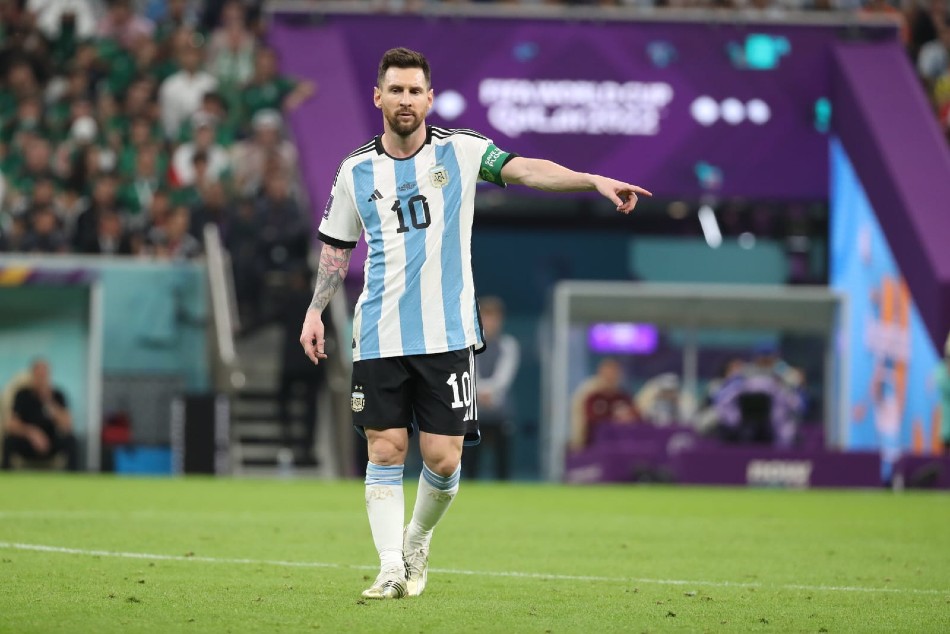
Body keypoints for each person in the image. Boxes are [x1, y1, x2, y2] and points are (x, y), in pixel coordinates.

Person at [298, 48, 650, 600]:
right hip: (379, 332)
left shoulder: (460, 151)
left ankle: (417, 540)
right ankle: (390, 565)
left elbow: (528, 170)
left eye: (416, 91)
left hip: (447, 335)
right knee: (385, 448)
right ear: (378, 97)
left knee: (443, 457)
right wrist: (316, 311)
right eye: (397, 90)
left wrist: (591, 179)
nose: (406, 100)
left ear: (429, 98)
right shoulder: (355, 170)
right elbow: (337, 250)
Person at [463, 296, 520, 480]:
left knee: (502, 467)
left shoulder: (508, 345)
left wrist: (490, 393)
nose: (490, 322)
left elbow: (504, 376)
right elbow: (471, 371)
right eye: (486, 317)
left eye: (494, 317)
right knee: (471, 465)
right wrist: (479, 393)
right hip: (475, 413)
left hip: (500, 412)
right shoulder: (470, 344)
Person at [2, 359, 78, 470]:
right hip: (28, 441)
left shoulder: (57, 395)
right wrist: (31, 433)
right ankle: (6, 475)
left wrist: (49, 402)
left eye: (44, 375)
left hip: (50, 442)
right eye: (38, 375)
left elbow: (68, 425)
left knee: (71, 440)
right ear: (32, 375)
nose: (41, 379)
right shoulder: (22, 395)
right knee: (8, 440)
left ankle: (72, 477)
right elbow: (11, 424)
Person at [569, 358, 639, 451]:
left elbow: (637, 420)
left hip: (623, 448)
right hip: (595, 448)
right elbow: (593, 423)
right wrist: (615, 420)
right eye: (608, 373)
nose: (611, 377)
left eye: (614, 373)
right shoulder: (592, 398)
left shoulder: (624, 398)